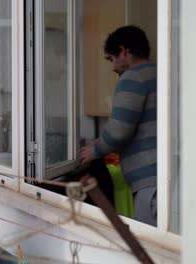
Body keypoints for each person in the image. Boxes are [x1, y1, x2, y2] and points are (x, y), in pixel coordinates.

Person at [80, 25, 157, 226]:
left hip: (150, 183)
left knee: (153, 251)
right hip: (165, 179)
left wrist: (93, 150)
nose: (113, 66)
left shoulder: (133, 77)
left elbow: (119, 130)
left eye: (111, 58)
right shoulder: (159, 74)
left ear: (124, 51)